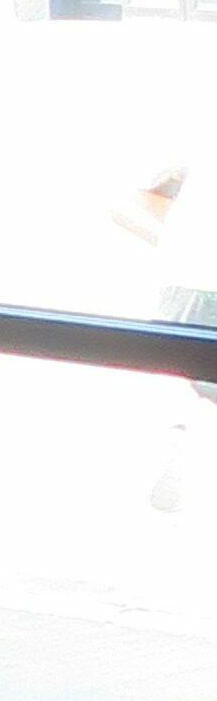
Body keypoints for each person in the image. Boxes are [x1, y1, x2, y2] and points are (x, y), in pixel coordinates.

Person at [110, 164, 217, 512]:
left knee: (180, 383)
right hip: (191, 284)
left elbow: (128, 210)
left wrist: (177, 248)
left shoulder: (195, 158)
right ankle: (178, 457)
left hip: (182, 287)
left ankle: (176, 453)